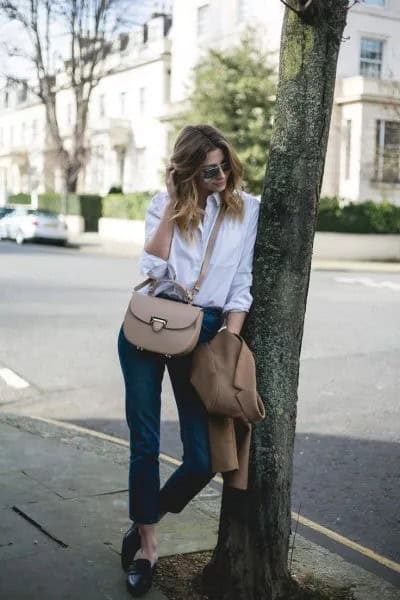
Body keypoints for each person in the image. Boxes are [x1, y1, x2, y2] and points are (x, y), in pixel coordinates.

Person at [118, 124, 260, 597]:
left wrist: (229, 341)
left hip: (201, 334)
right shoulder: (167, 206)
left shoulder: (246, 211)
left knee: (203, 459)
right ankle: (148, 547)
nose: (218, 175)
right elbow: (152, 266)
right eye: (206, 170)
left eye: (223, 165)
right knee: (145, 440)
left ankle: (144, 517)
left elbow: (241, 284)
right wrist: (174, 200)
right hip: (146, 328)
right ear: (188, 173)